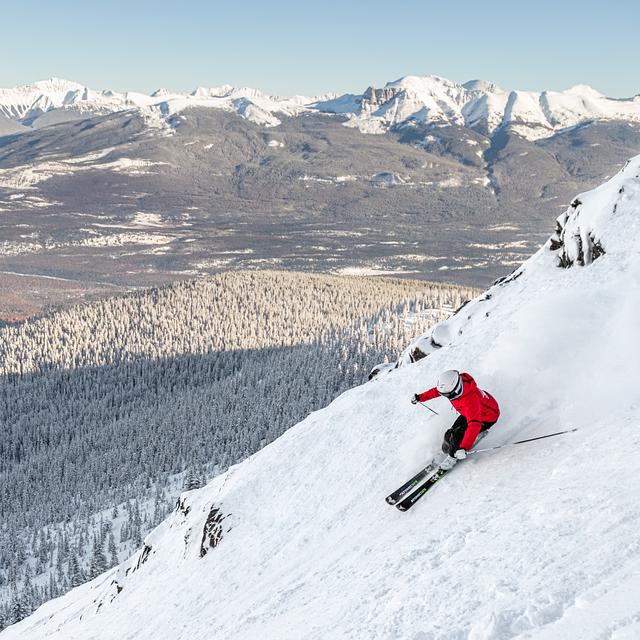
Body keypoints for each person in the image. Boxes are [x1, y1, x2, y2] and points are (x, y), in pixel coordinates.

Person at [411, 370, 500, 465]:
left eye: (448, 395)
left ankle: (452, 457)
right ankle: (445, 452)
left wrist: (464, 447)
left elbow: (474, 425)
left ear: (456, 389)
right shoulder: (452, 387)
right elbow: (436, 392)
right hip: (468, 413)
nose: (447, 397)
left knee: (456, 436)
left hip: (486, 418)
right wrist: (420, 397)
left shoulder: (470, 400)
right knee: (449, 434)